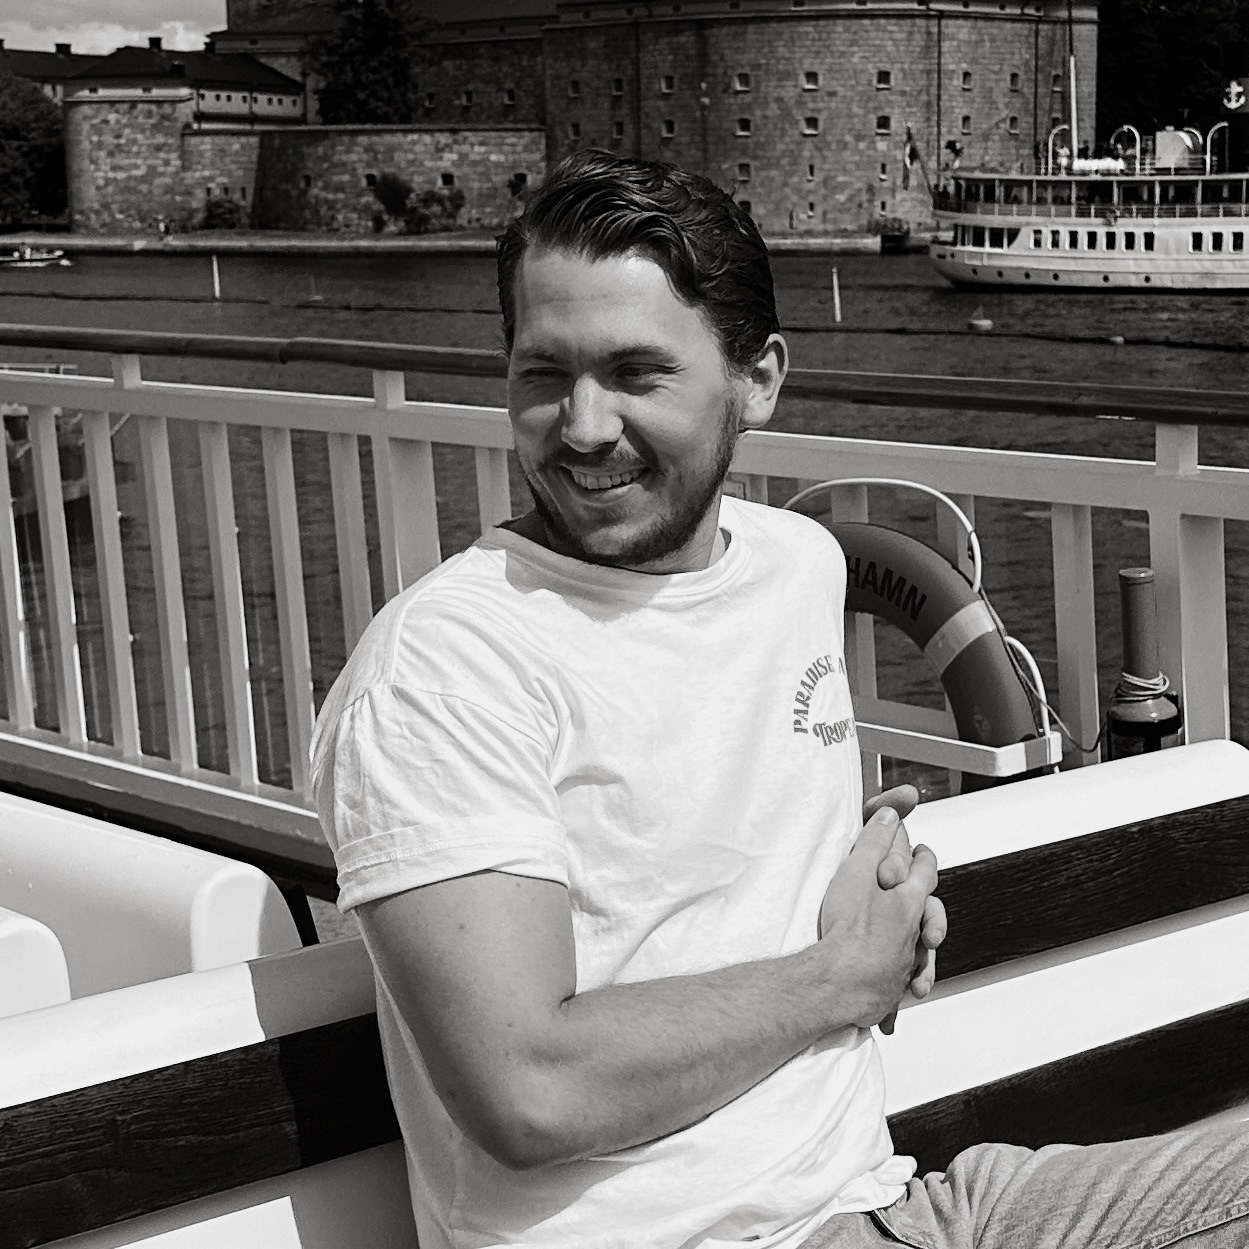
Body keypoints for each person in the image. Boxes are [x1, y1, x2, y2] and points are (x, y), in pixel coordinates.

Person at [310, 150, 1248, 1249]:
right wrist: (841, 976)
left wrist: (881, 894)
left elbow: (721, 873)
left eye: (635, 373)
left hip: (882, 1201)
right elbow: (529, 1092)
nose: (582, 425)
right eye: (543, 373)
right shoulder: (445, 666)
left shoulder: (795, 565)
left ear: (756, 380)